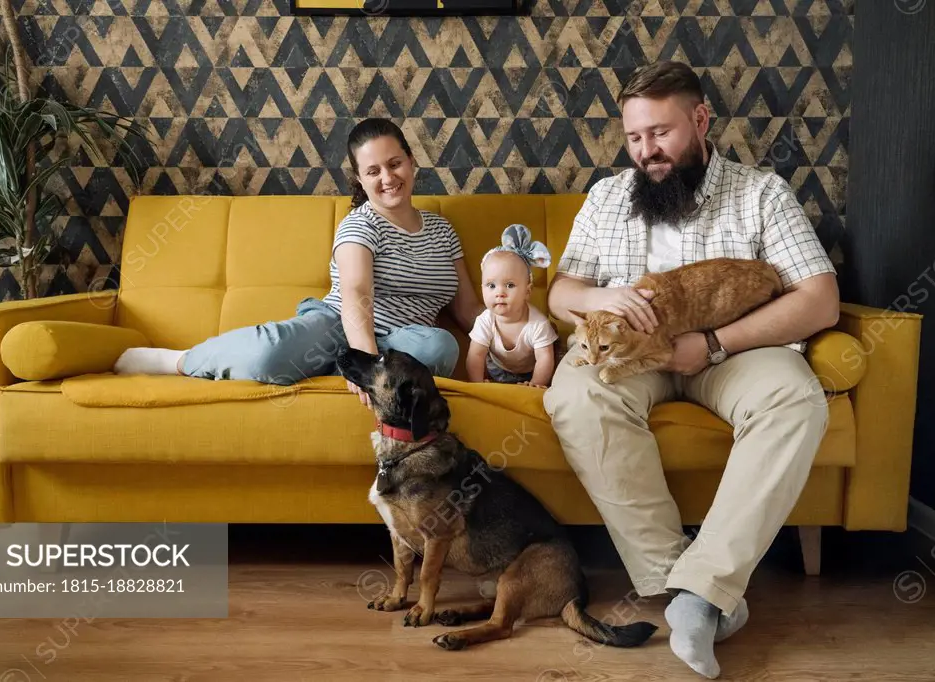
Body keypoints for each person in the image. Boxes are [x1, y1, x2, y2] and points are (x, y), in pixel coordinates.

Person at [542, 61, 839, 679]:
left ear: (701, 120)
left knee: (796, 399)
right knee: (575, 395)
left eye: (661, 133)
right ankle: (686, 589)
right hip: (627, 352)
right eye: (634, 138)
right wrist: (597, 300)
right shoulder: (606, 197)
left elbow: (819, 300)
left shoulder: (763, 193)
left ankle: (705, 592)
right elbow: (561, 289)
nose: (646, 151)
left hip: (733, 352)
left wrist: (712, 343)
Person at [114, 118, 484, 406]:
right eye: (373, 171)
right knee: (267, 355)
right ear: (360, 178)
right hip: (338, 328)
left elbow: (468, 309)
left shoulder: (441, 230)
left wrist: (522, 345)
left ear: (411, 162)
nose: (388, 178)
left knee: (440, 348)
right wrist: (368, 366)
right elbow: (356, 295)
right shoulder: (360, 224)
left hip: (404, 345)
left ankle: (342, 369)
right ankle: (180, 360)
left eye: (395, 163)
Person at [466, 224, 557, 387]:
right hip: (497, 369)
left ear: (527, 291)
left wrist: (536, 384)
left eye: (509, 285)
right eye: (491, 286)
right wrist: (477, 385)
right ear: (482, 289)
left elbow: (545, 359)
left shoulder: (538, 323)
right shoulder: (485, 320)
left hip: (532, 371)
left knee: (552, 358)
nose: (499, 293)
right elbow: (475, 356)